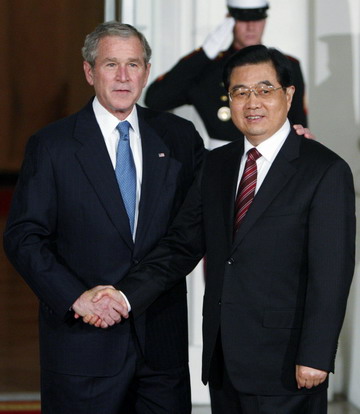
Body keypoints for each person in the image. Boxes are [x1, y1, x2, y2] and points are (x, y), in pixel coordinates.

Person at [90, 45, 356, 413]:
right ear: (229, 99)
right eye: (240, 92)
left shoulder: (324, 170)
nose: (253, 102)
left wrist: (317, 354)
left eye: (265, 90)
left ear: (289, 95)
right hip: (224, 361)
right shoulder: (216, 165)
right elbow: (181, 246)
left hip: (288, 364)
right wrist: (123, 296)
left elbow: (332, 274)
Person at [3, 21, 205, 414]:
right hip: (82, 347)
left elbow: (194, 227)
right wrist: (77, 298)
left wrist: (286, 144)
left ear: (147, 71)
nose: (124, 76)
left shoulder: (180, 137)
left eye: (134, 64)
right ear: (89, 71)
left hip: (160, 350)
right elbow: (23, 236)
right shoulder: (52, 145)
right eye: (111, 64)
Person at [145, 0, 308, 149]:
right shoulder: (208, 68)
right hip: (220, 160)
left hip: (275, 156)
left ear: (265, 20)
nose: (251, 27)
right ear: (229, 19)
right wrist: (205, 53)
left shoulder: (287, 65)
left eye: (257, 18)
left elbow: (297, 121)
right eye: (243, 19)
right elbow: (156, 99)